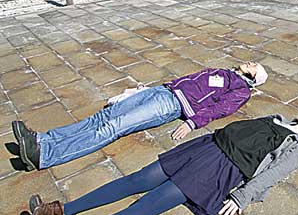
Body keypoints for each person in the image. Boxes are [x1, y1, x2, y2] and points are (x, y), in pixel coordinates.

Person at [29, 106, 298, 215]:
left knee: (145, 206)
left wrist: (242, 198)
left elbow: (274, 172)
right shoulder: (281, 120)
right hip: (206, 148)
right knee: (137, 179)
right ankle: (60, 211)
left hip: (218, 169)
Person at [12, 62, 268, 171]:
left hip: (170, 104)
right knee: (100, 119)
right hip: (162, 90)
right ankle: (42, 140)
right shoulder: (225, 73)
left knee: (112, 127)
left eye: (255, 66)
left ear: (254, 78)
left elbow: (219, 109)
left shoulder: (241, 90)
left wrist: (191, 123)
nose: (251, 62)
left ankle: (44, 156)